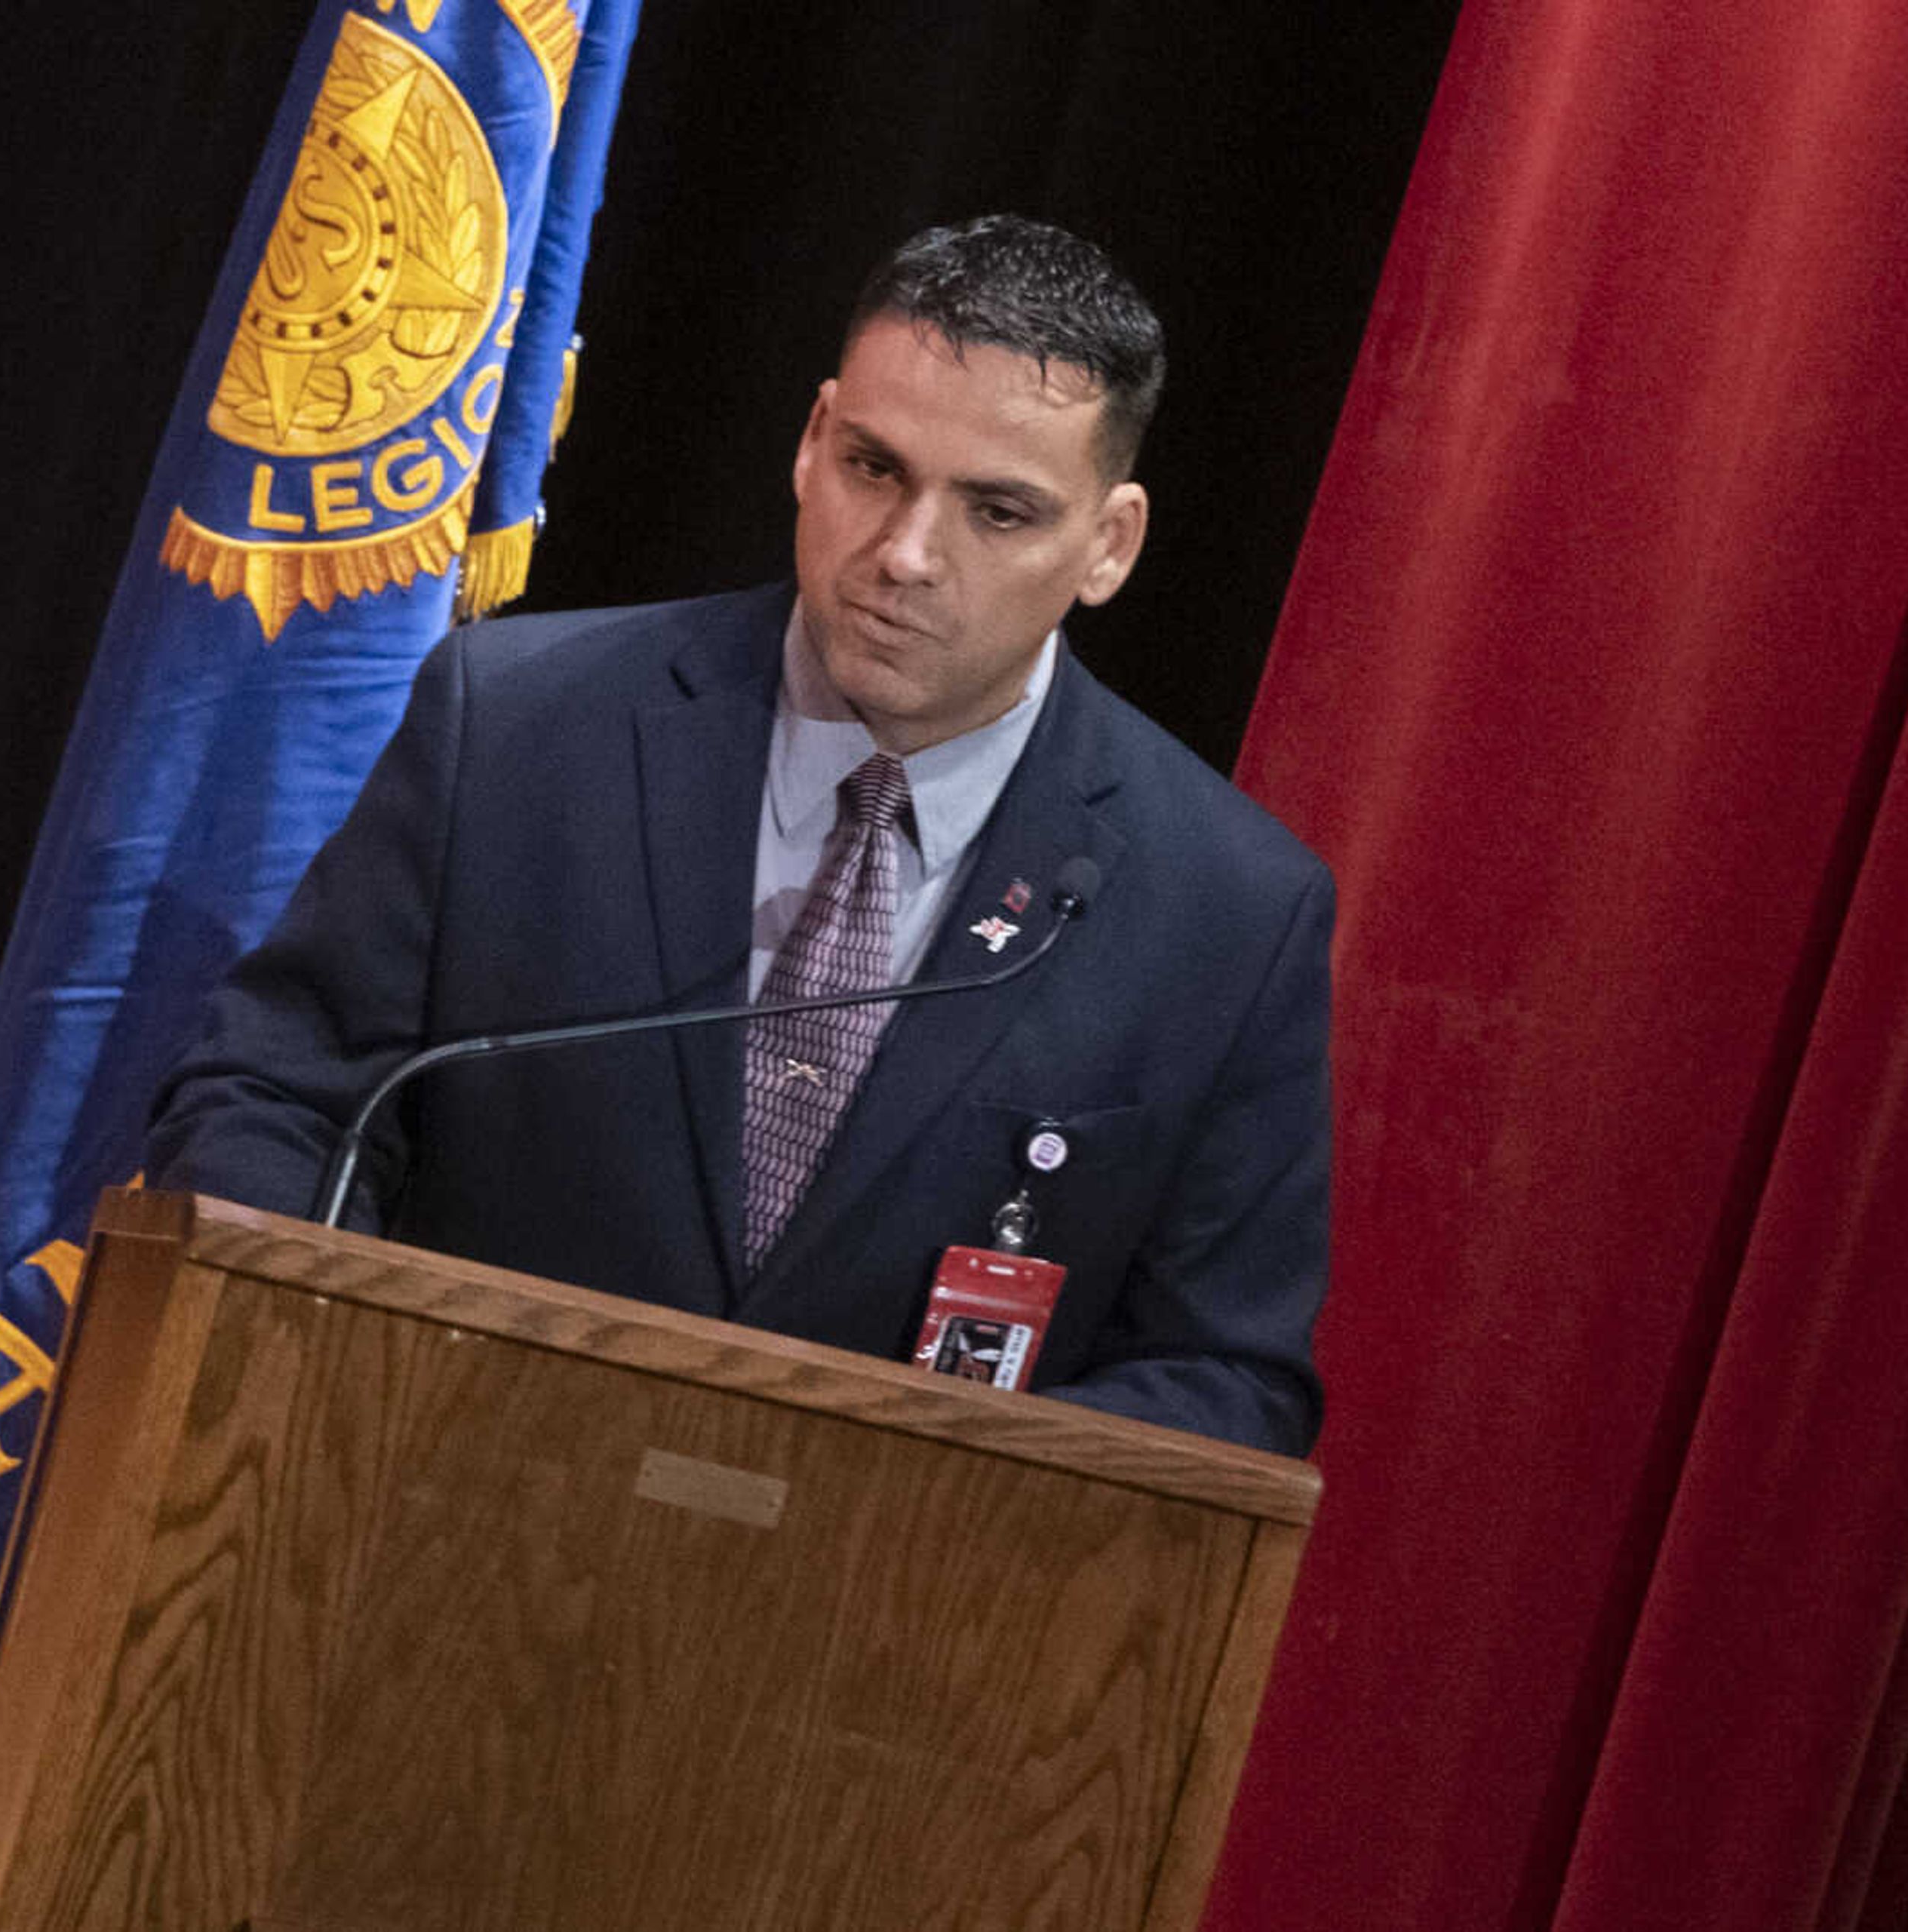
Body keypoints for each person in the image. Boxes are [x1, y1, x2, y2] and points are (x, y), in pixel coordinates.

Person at [147, 215, 1332, 1456]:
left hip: (870, 1612)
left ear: (1110, 543)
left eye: (997, 511)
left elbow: (1221, 1380)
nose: (906, 556)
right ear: (813, 440)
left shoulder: (1228, 914)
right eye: (876, 467)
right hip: (415, 1507)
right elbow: (271, 1101)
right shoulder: (514, 725)